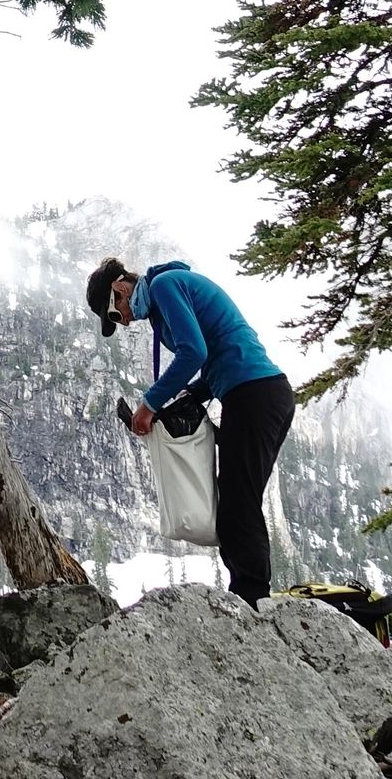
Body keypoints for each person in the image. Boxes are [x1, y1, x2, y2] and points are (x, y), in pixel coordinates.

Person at [87, 254, 296, 605]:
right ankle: (249, 594)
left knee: (238, 502)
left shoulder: (164, 285)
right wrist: (187, 396)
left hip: (253, 394)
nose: (123, 321)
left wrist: (150, 404)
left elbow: (194, 352)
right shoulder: (162, 301)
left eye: (115, 313)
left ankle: (252, 599)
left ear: (120, 287)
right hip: (257, 393)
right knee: (237, 499)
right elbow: (214, 356)